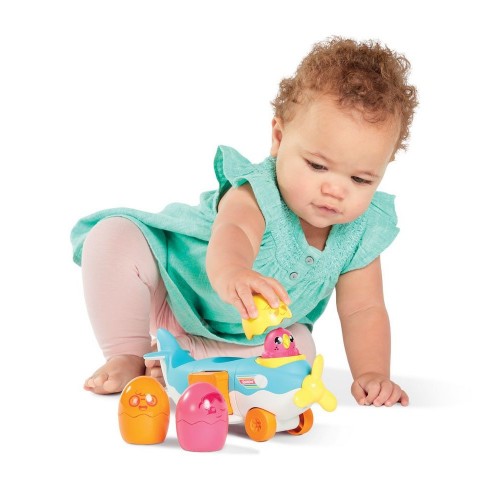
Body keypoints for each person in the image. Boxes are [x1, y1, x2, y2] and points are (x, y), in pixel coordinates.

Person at [71, 36, 417, 406]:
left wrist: (373, 373)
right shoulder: (257, 191)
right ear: (279, 138)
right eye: (317, 166)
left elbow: (364, 309)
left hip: (251, 336)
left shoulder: (360, 232)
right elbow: (233, 231)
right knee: (114, 238)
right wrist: (233, 272)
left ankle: (190, 357)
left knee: (300, 349)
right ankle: (128, 354)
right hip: (174, 294)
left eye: (360, 179)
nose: (335, 190)